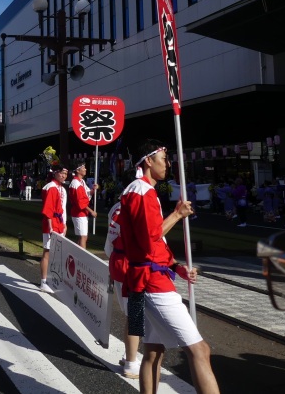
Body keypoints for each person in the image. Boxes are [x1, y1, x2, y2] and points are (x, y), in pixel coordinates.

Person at [118, 140, 219, 394]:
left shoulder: (138, 191)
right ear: (148, 161)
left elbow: (154, 243)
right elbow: (150, 238)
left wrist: (175, 266)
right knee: (200, 350)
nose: (168, 164)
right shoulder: (142, 192)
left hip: (140, 279)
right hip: (151, 283)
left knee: (153, 351)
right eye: (164, 159)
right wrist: (177, 214)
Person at [104, 198, 141, 378]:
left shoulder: (116, 206)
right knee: (135, 315)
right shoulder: (142, 205)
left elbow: (109, 242)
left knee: (131, 314)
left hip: (118, 263)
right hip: (132, 266)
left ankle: (129, 355)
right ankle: (131, 362)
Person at [39, 165, 69, 293]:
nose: (64, 176)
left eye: (65, 174)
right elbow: (48, 209)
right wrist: (51, 226)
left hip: (59, 223)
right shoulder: (51, 187)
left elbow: (63, 208)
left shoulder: (61, 188)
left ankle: (52, 280)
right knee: (47, 251)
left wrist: (64, 224)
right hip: (51, 224)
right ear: (55, 173)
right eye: (61, 173)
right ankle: (43, 282)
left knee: (56, 252)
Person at [68, 160, 98, 249]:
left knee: (83, 237)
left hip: (82, 213)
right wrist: (91, 211)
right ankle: (81, 256)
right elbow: (80, 202)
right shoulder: (76, 184)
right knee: (83, 237)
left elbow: (87, 195)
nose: (85, 169)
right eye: (83, 168)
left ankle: (76, 254)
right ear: (78, 170)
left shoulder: (81, 181)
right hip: (79, 213)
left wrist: (93, 190)